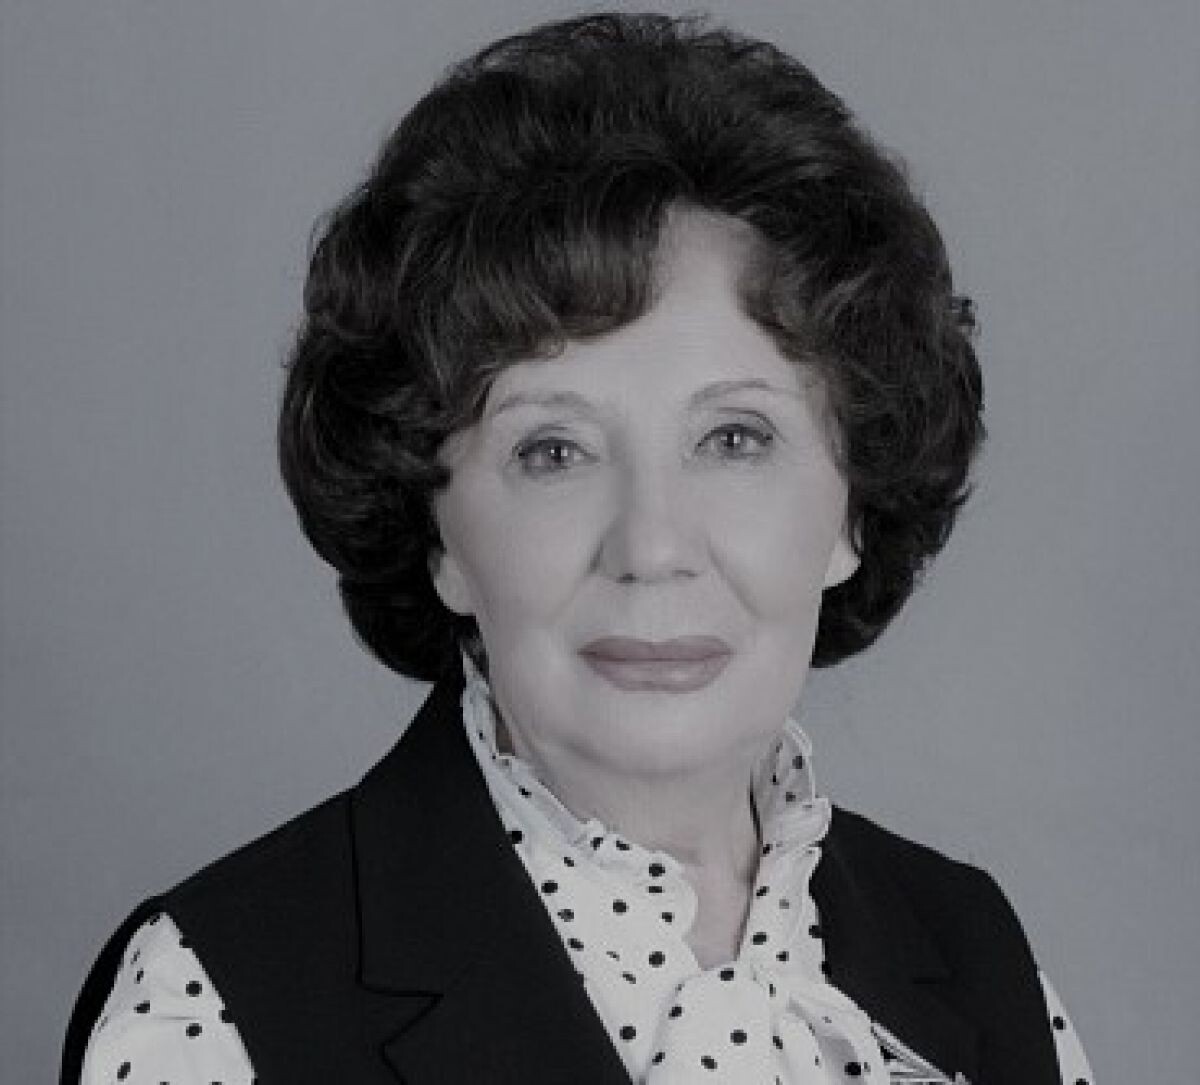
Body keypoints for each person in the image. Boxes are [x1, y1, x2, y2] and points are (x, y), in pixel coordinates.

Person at [62, 12, 1093, 1084]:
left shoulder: (983, 963)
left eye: (735, 438)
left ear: (852, 508)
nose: (652, 546)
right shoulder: (212, 1006)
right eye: (553, 451)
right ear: (438, 530)